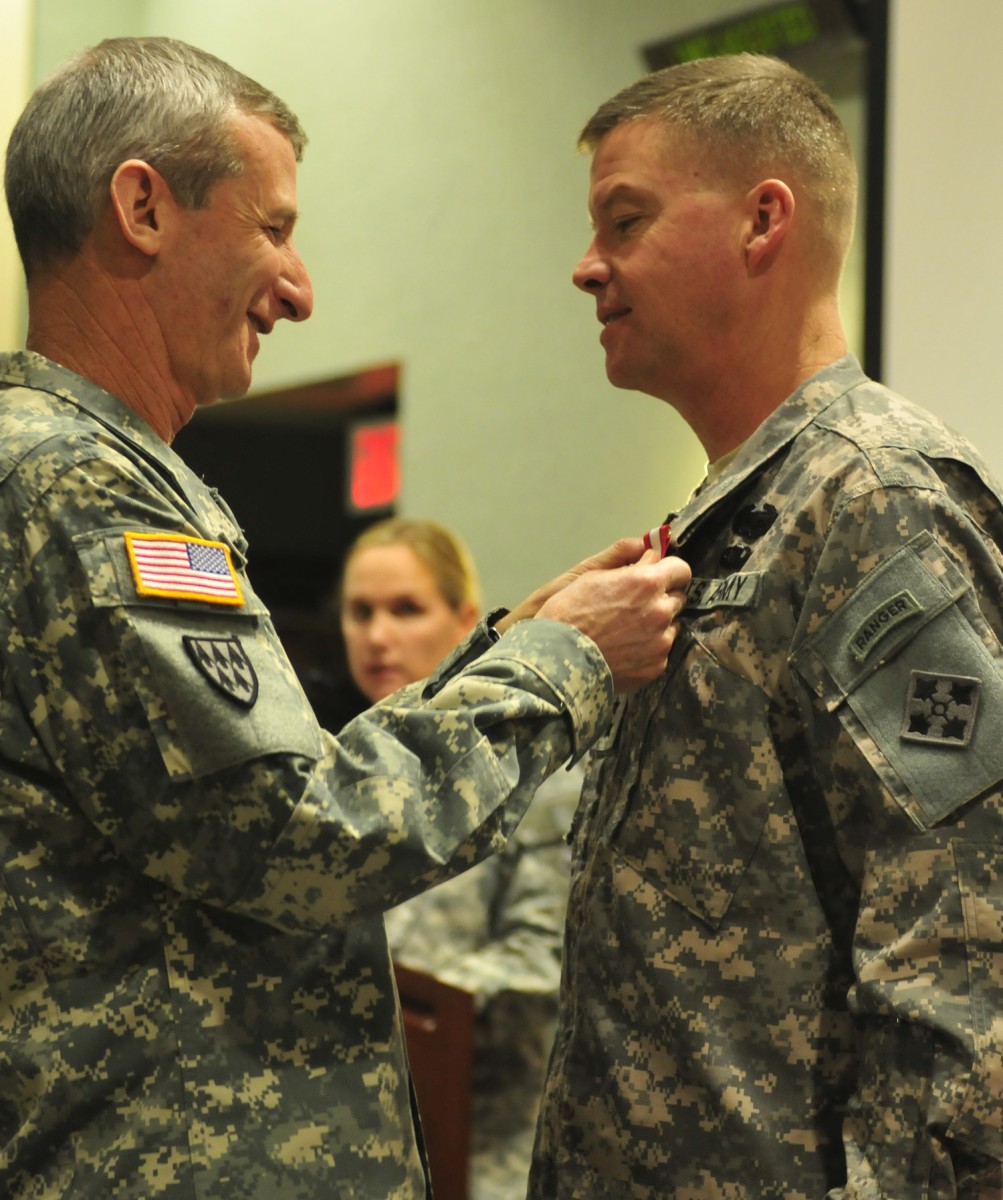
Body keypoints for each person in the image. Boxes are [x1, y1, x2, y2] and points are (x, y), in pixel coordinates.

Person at [0, 37, 692, 1199]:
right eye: (272, 229)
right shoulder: (77, 487)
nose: (300, 287)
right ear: (142, 207)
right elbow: (299, 841)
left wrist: (509, 644)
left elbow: (255, 788)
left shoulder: (85, 476)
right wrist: (563, 666)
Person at [528, 52, 1003, 1200]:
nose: (587, 267)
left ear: (762, 220)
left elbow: (961, 937)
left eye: (625, 220)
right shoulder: (734, 515)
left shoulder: (875, 497)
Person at [340, 517, 582, 1200]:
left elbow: (542, 959)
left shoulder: (530, 774)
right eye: (361, 612)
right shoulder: (344, 774)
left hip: (487, 1147)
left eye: (405, 609)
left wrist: (392, 997)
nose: (377, 634)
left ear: (464, 618)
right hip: (366, 1144)